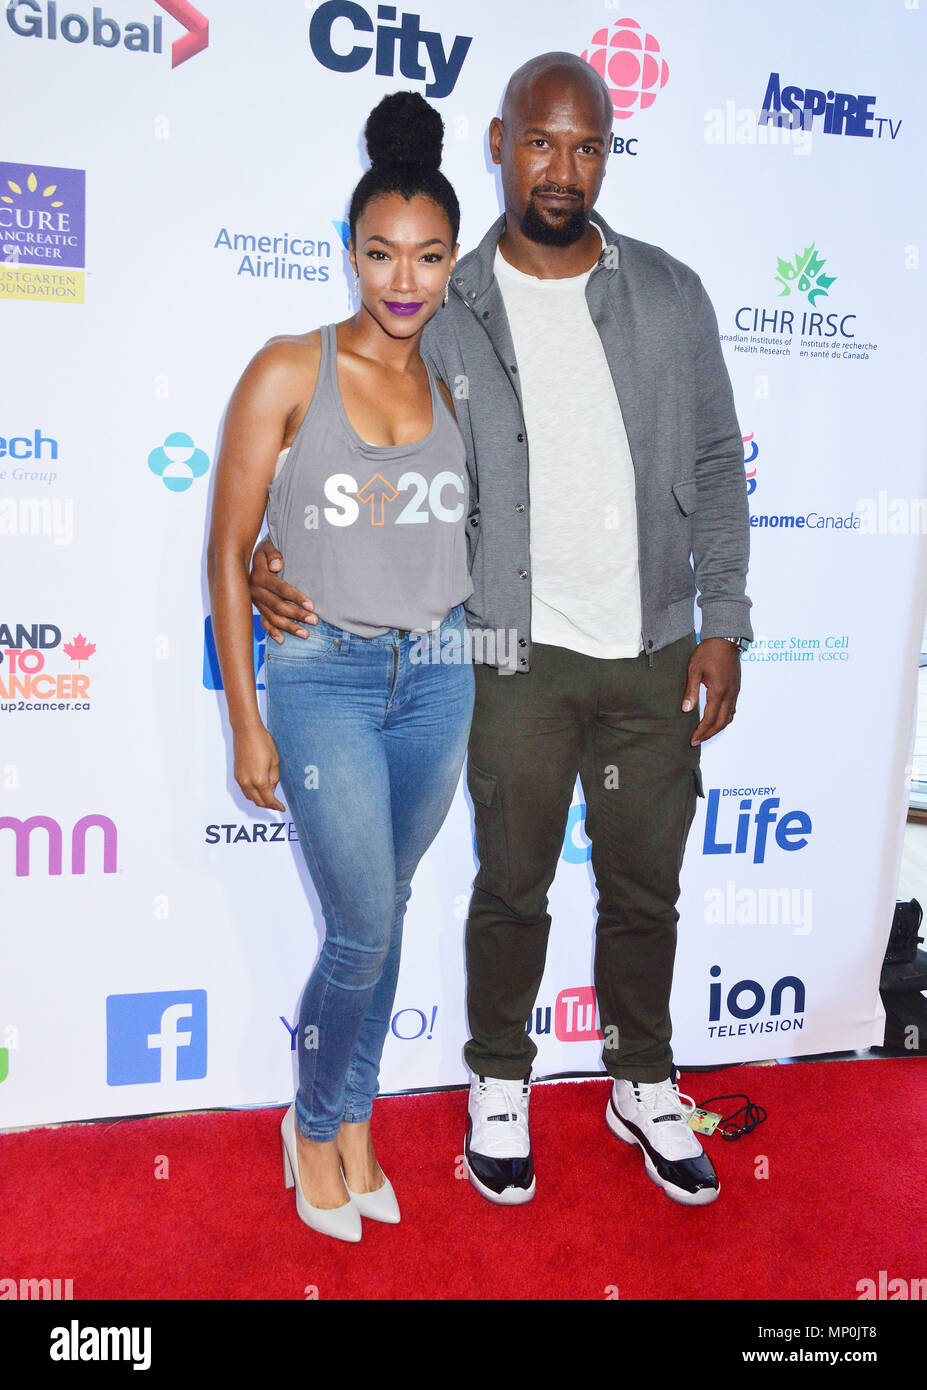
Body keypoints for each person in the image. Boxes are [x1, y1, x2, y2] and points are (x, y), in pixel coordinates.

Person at [250, 53, 753, 1210]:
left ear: (609, 152)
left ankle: (643, 1076)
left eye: (586, 146)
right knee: (510, 884)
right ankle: (498, 1081)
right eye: (540, 142)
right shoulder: (447, 308)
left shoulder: (672, 294)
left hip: (655, 648)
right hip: (504, 651)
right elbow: (365, 438)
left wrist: (722, 621)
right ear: (497, 141)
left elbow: (721, 464)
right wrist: (278, 554)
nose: (562, 169)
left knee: (645, 887)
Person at [207, 92, 474, 1242]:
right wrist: (247, 724)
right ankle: (313, 1123)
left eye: (425, 257)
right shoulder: (287, 369)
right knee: (362, 925)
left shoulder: (463, 374)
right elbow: (227, 553)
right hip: (322, 678)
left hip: (444, 677)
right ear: (349, 252)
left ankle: (356, 1116)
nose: (402, 281)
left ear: (453, 259)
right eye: (379, 254)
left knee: (394, 905)